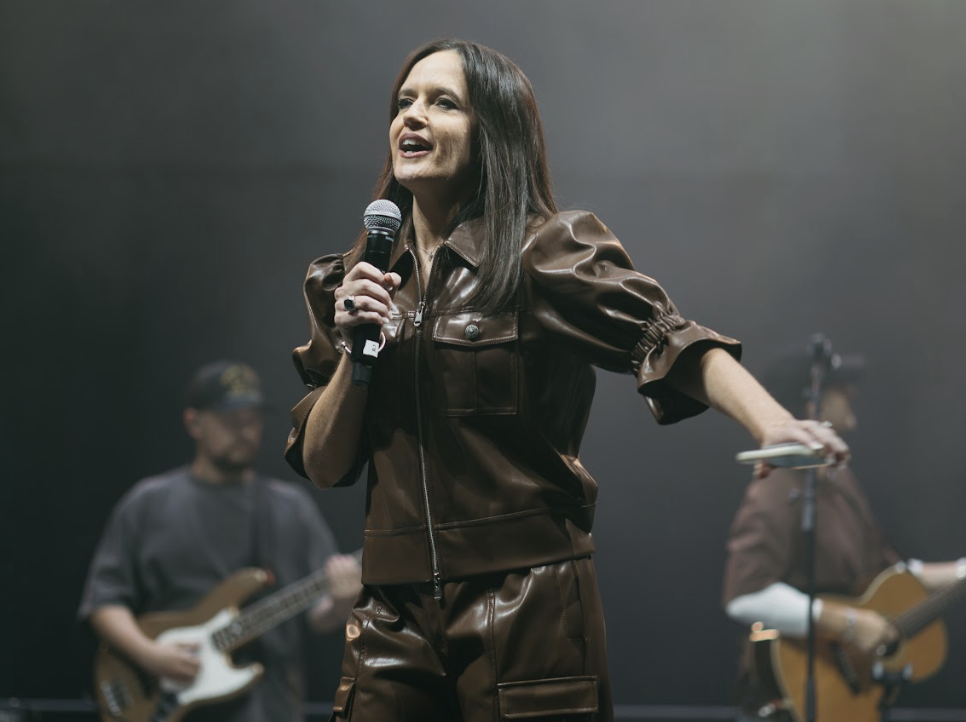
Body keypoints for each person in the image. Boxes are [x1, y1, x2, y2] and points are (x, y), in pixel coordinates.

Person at [283, 39, 849, 722]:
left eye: (442, 103)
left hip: (524, 602)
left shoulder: (541, 250)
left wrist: (772, 422)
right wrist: (355, 354)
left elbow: (666, 339)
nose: (413, 117)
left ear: (493, 131)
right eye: (404, 102)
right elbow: (323, 464)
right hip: (388, 613)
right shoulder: (352, 282)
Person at [79, 360, 362, 722]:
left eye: (253, 420)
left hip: (270, 709)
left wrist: (340, 603)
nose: (245, 432)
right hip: (170, 706)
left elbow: (318, 618)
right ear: (194, 422)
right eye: (231, 421)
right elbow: (103, 601)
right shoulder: (148, 503)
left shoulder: (290, 507)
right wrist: (151, 657)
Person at [721, 340, 966, 721]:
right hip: (798, 690)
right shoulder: (777, 486)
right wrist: (849, 625)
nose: (850, 392)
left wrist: (961, 572)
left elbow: (888, 576)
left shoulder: (839, 479)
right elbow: (745, 596)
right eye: (838, 387)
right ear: (809, 404)